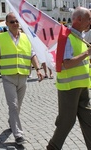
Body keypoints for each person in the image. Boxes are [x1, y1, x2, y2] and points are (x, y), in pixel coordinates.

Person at [0, 12, 43, 145]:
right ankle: (18, 134)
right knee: (13, 106)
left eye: (17, 21)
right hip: (8, 77)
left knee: (17, 106)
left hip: (23, 76)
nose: (15, 24)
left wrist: (38, 69)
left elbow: (32, 55)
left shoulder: (26, 37)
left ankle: (11, 122)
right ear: (7, 23)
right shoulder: (0, 38)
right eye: (12, 22)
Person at [46, 7, 91, 150]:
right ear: (79, 20)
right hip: (69, 88)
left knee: (89, 119)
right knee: (66, 121)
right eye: (88, 18)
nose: (90, 21)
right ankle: (53, 147)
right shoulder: (67, 37)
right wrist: (87, 53)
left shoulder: (80, 37)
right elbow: (67, 63)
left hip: (82, 86)